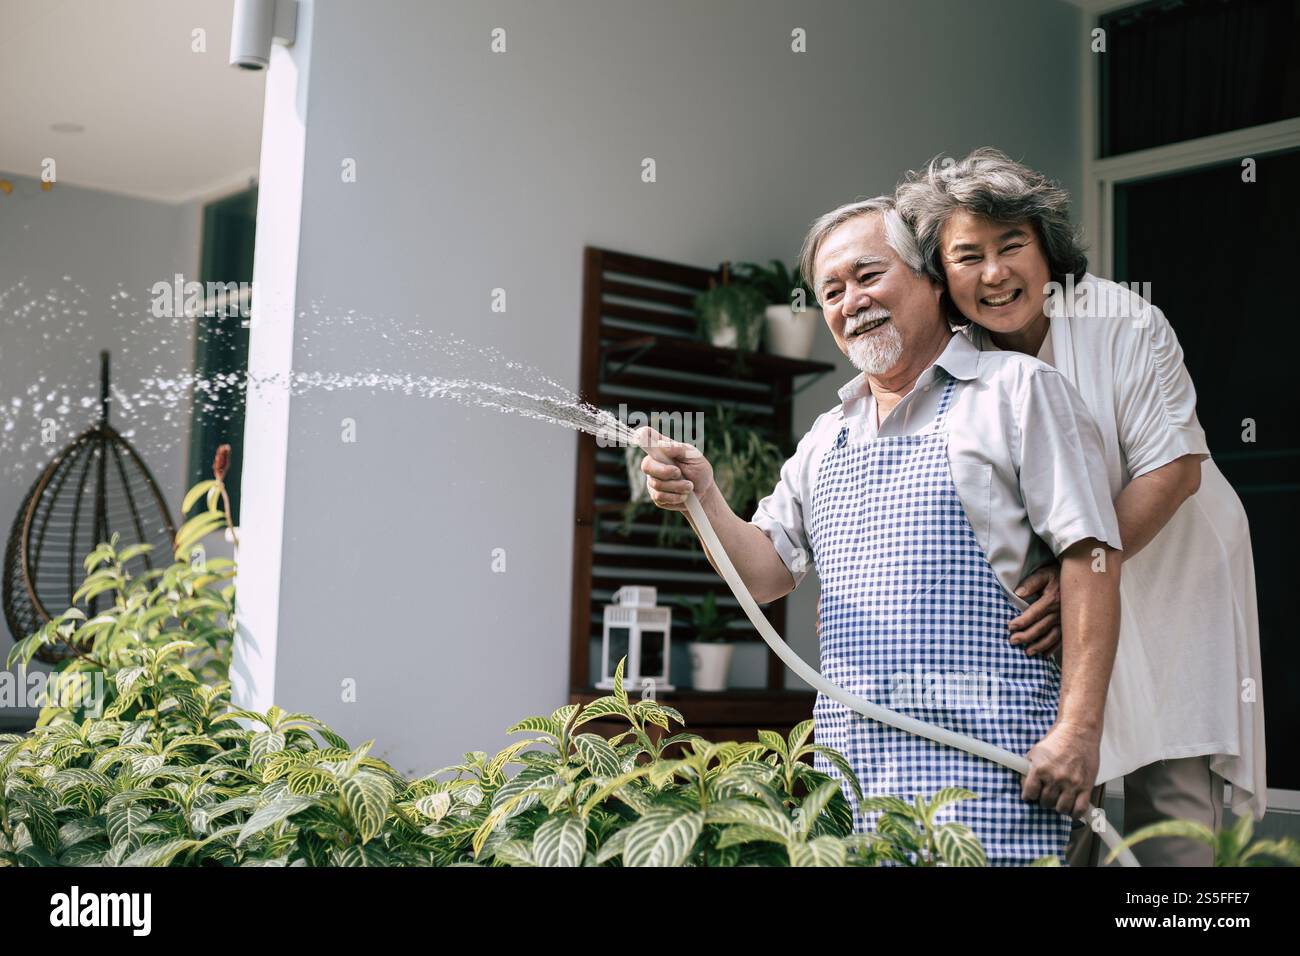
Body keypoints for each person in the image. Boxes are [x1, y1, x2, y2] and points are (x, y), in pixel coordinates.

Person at [638, 196, 1123, 865]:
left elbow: (1092, 556)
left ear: (930, 278)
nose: (850, 302)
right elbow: (767, 573)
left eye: (869, 276)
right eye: (831, 291)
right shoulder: (825, 438)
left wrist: (1079, 733)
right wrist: (704, 496)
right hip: (852, 786)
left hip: (996, 775)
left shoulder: (1019, 391)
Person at [894, 147, 1266, 866]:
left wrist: (1076, 579)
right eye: (968, 255)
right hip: (1071, 572)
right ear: (942, 274)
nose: (995, 273)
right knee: (1062, 768)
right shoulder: (958, 354)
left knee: (1171, 765)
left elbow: (1175, 469)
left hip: (1174, 555)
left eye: (1013, 246)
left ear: (1046, 249)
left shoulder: (1123, 321)